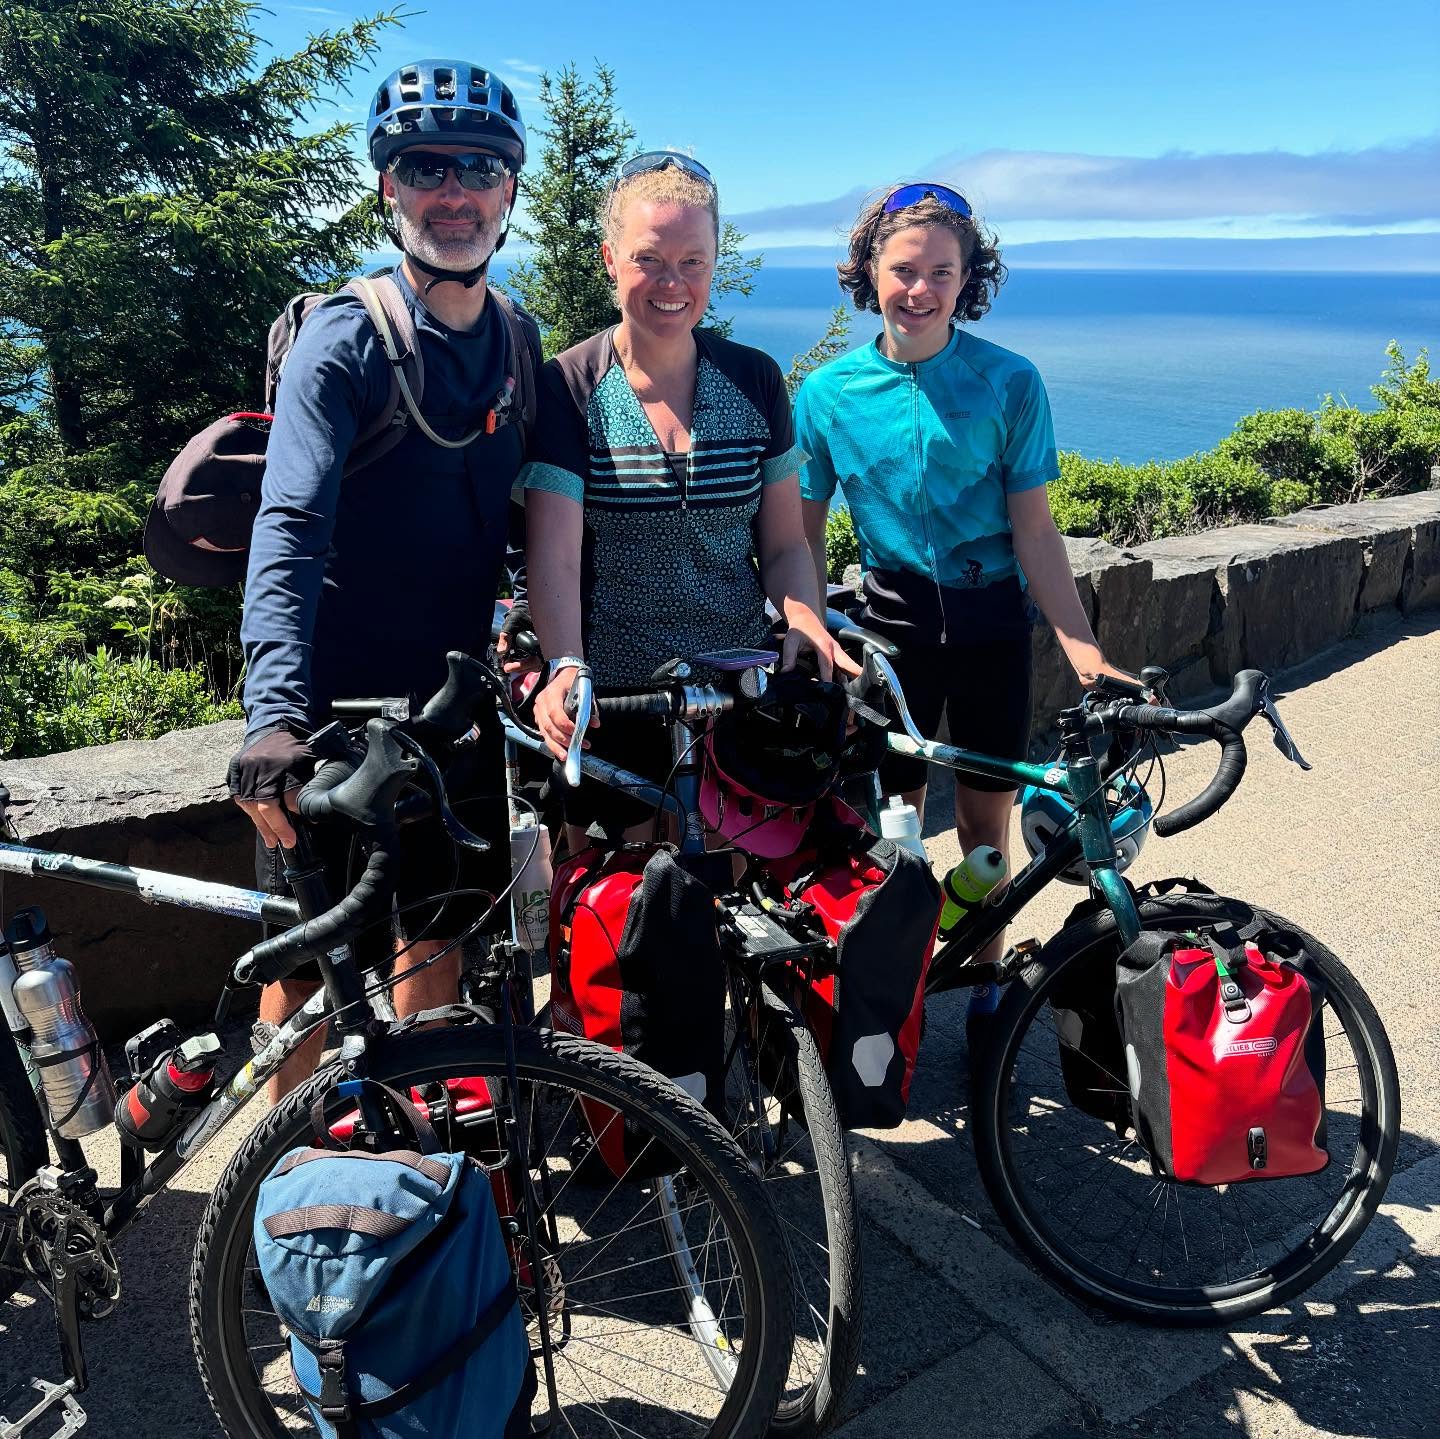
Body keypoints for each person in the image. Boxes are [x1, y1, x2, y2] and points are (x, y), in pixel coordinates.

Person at [227, 59, 540, 1098]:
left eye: (478, 168)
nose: (454, 192)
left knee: (437, 938)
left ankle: (414, 1154)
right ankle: (287, 1175)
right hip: (330, 710)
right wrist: (273, 716)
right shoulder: (344, 339)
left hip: (450, 703)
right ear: (387, 186)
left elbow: (522, 512)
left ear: (509, 187)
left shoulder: (517, 340)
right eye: (425, 167)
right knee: (307, 970)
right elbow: (289, 525)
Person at [795, 182, 1124, 980]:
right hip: (887, 632)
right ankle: (897, 995)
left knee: (986, 835)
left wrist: (1084, 652)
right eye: (904, 270)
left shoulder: (1010, 382)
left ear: (968, 278)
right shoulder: (827, 394)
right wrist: (805, 628)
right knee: (894, 832)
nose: (920, 289)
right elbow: (799, 537)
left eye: (942, 272)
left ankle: (983, 988)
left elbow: (1035, 530)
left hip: (991, 629)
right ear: (869, 271)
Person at [521, 152, 854, 848]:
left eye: (693, 262)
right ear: (611, 260)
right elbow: (555, 554)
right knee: (614, 897)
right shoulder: (570, 386)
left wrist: (804, 615)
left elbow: (785, 543)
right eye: (649, 258)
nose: (672, 282)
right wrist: (564, 664)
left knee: (730, 899)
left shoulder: (754, 379)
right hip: (612, 695)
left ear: (713, 263)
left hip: (740, 692)